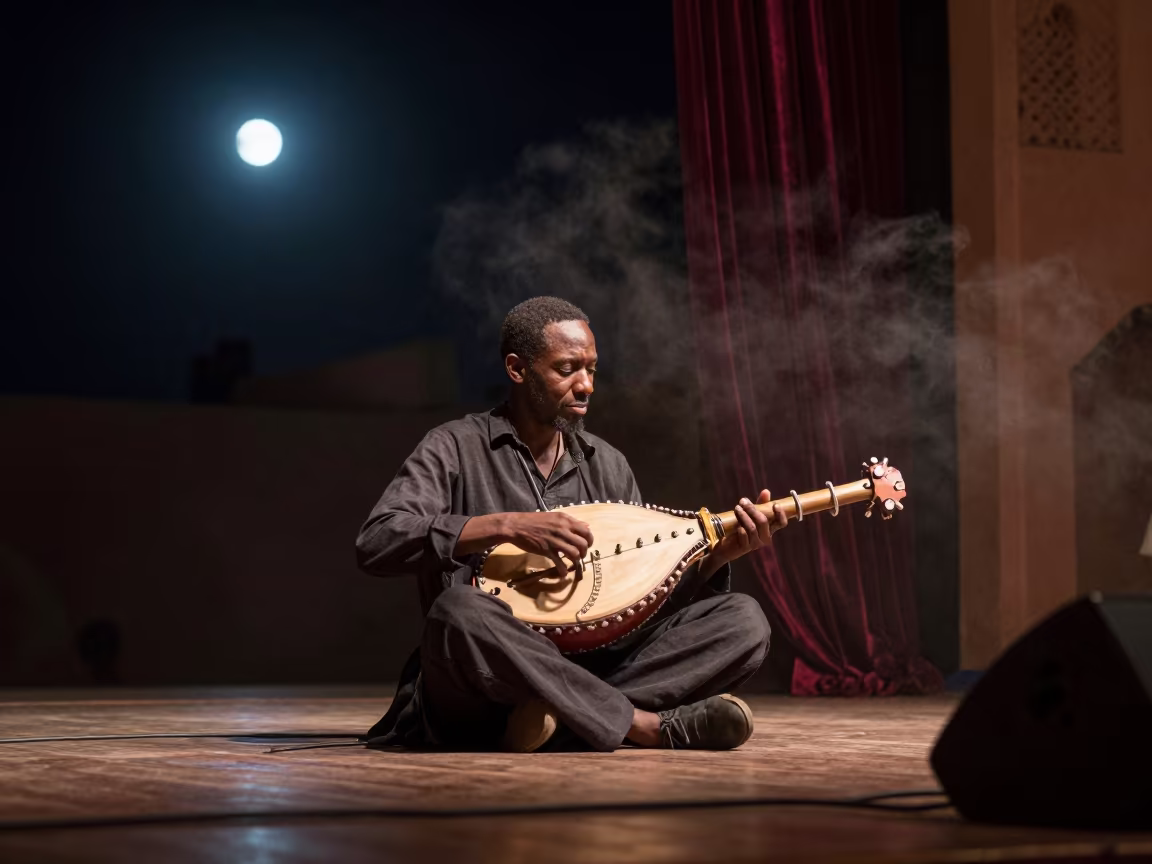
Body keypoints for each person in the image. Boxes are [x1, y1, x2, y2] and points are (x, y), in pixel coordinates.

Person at [356, 296, 787, 752]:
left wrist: (717, 556)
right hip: (488, 678)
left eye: (592, 369)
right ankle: (644, 726)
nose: (586, 386)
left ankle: (556, 720)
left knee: (743, 620)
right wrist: (505, 526)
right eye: (567, 369)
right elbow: (378, 539)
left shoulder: (609, 465)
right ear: (518, 369)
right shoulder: (454, 447)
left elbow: (642, 601)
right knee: (458, 611)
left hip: (595, 663)